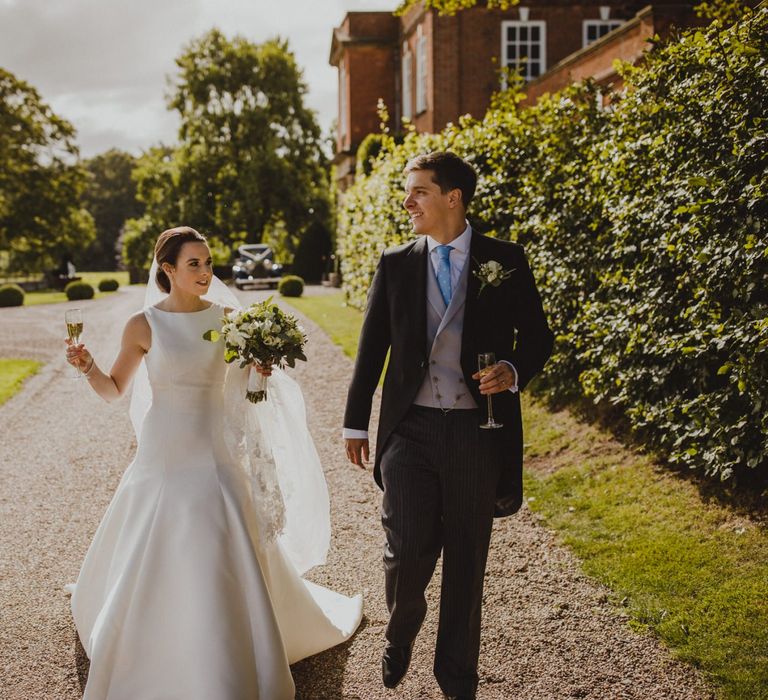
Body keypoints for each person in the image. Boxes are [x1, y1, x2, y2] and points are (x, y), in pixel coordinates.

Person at [65, 226, 362, 699]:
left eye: (208, 263)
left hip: (214, 453)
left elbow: (249, 395)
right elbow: (114, 390)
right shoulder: (143, 325)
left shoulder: (230, 319)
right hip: (163, 455)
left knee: (224, 544)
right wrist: (87, 368)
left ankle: (228, 648)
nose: (206, 272)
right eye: (194, 264)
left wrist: (260, 371)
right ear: (168, 270)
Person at [343, 152, 554, 699]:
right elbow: (371, 351)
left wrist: (510, 370)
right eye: (407, 192)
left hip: (475, 432)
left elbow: (538, 339)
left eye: (419, 192)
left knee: (466, 560)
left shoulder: (504, 260)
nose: (408, 202)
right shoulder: (395, 262)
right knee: (406, 551)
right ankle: (402, 623)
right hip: (409, 430)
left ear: (453, 198)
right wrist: (355, 424)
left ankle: (457, 677)